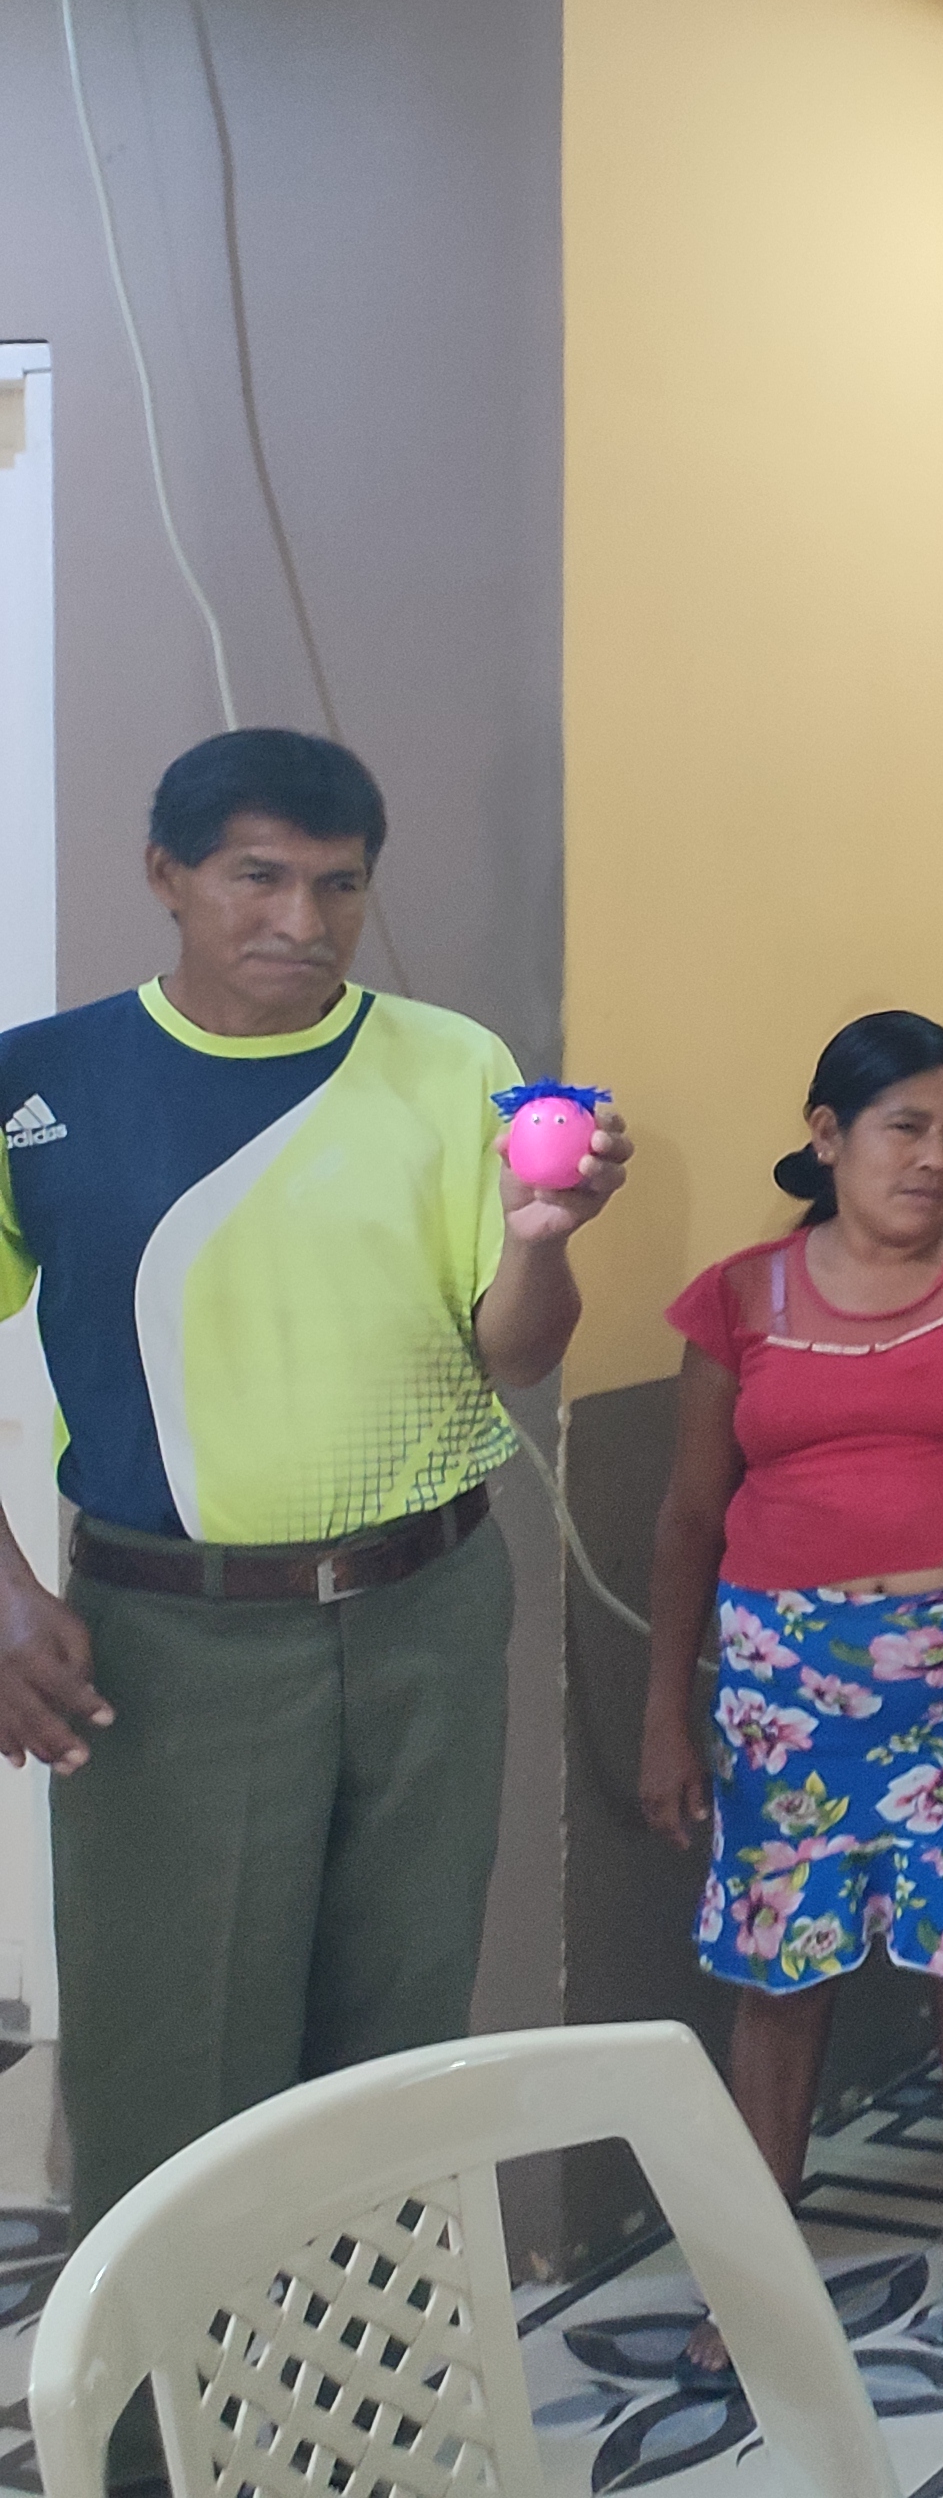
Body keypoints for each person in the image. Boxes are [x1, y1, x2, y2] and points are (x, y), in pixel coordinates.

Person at [0, 730, 627, 2237]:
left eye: (339, 886)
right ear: (167, 876)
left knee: (397, 2041)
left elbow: (515, 1354)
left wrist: (542, 1242)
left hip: (428, 1608)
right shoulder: (41, 1085)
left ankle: (379, 2372)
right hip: (170, 1638)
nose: (303, 921)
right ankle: (167, 2390)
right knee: (172, 2056)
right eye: (259, 879)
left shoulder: (455, 1064)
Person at [641, 1015, 943, 2364]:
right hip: (787, 1688)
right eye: (905, 1127)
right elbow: (688, 1516)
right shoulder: (739, 1299)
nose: (936, 1158)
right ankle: (758, 2256)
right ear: (827, 1135)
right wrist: (664, 1710)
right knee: (779, 1968)